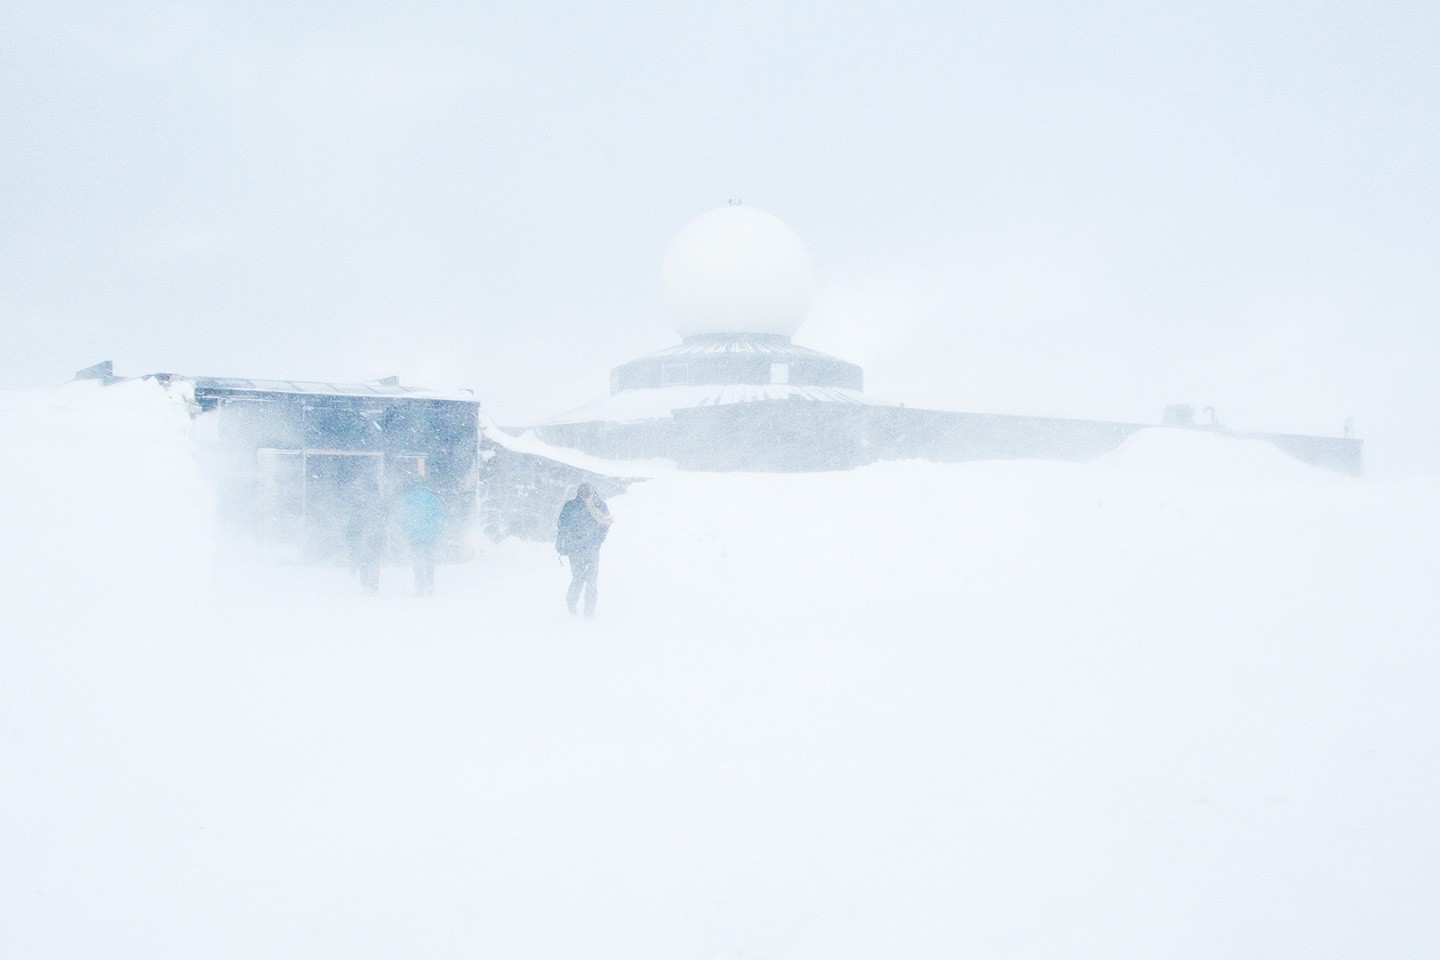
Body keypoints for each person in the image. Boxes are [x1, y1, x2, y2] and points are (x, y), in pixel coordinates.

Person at [555, 482, 612, 617]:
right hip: (577, 548)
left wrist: (598, 540)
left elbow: (606, 524)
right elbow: (562, 525)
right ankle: (572, 606)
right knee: (579, 578)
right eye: (584, 494)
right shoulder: (571, 506)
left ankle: (588, 612)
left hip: (590, 548)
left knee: (590, 580)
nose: (586, 497)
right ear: (579, 494)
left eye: (588, 494)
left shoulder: (599, 506)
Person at [397, 477, 446, 597]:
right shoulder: (433, 498)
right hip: (430, 536)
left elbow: (401, 518)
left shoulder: (408, 499)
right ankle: (430, 586)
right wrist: (437, 531)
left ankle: (419, 588)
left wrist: (406, 531)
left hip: (414, 537)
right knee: (429, 562)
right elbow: (440, 517)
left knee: (417, 562)